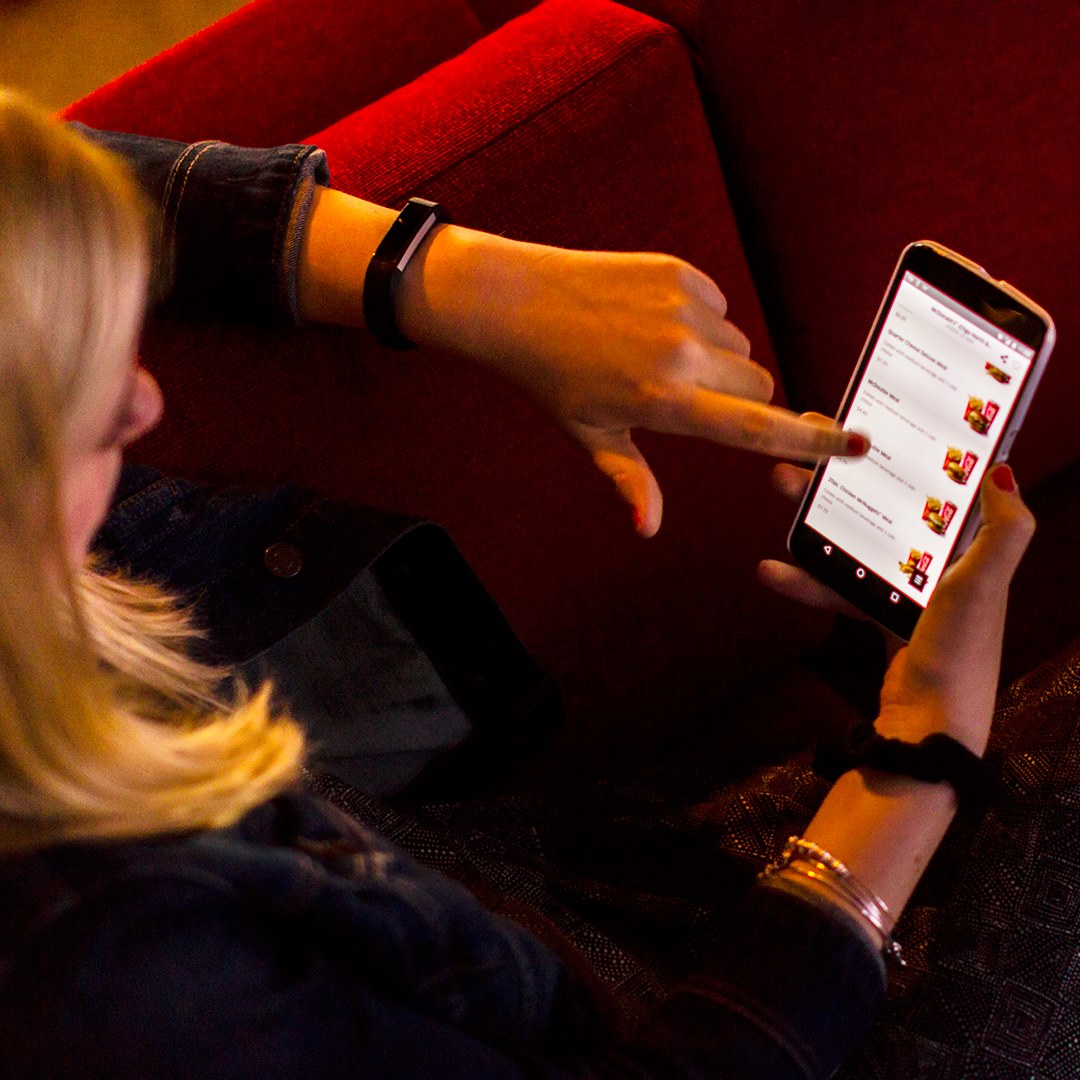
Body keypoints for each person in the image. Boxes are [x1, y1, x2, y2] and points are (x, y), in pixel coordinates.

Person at [0, 89, 1047, 1077]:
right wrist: (923, 753)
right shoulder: (114, 973)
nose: (142, 403)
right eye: (70, 393)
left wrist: (448, 277)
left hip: (541, 910)